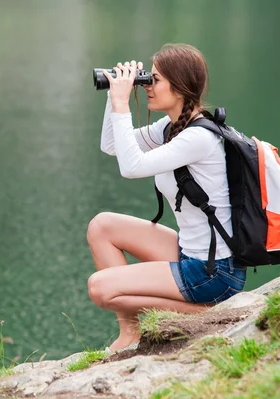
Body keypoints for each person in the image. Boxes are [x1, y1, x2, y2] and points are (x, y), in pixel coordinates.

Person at [86, 43, 246, 352]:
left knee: (101, 288)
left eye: (154, 79)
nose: (147, 85)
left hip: (213, 272)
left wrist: (122, 103)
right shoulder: (172, 128)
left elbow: (131, 168)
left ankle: (207, 316)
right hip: (191, 255)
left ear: (180, 86)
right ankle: (130, 334)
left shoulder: (199, 137)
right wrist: (114, 94)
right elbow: (111, 145)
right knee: (101, 226)